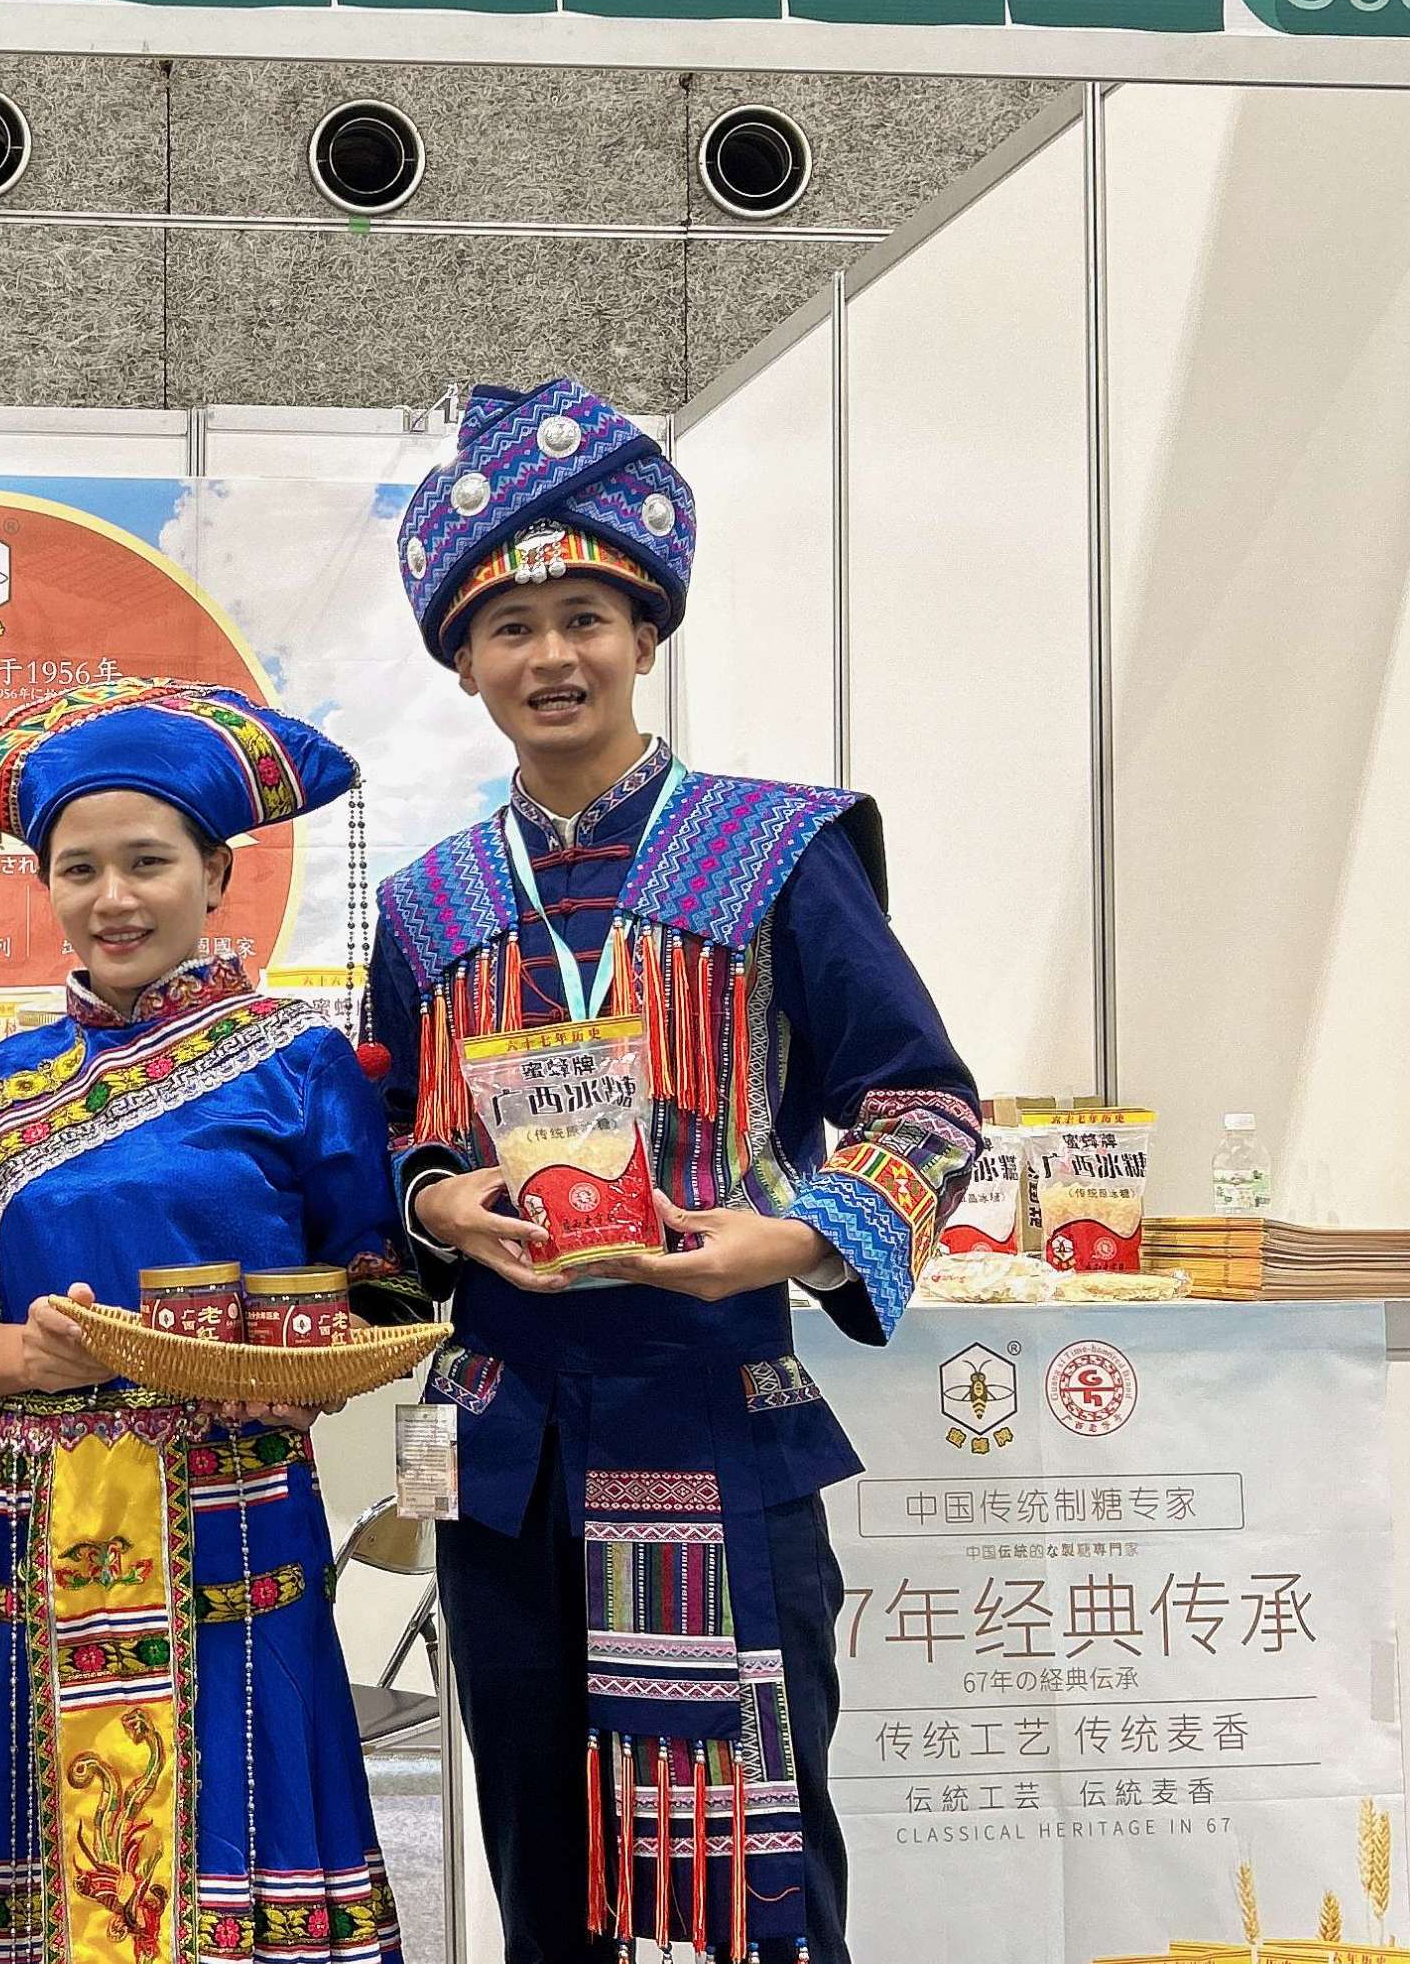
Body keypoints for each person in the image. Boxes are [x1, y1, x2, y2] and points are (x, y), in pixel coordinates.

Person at [369, 378, 981, 1964]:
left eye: (586, 614)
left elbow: (926, 1111)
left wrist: (775, 1242)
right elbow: (391, 1139)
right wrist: (439, 1202)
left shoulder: (775, 850)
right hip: (503, 1449)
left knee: (745, 1869)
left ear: (647, 632)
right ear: (463, 660)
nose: (550, 656)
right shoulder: (433, 903)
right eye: (510, 627)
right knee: (537, 1858)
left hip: (713, 1418)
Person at [0, 678, 428, 1964]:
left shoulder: (300, 1061)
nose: (113, 897)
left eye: (148, 862)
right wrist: (20, 1354)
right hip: (54, 1500)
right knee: (76, 1813)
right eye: (78, 868)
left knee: (247, 1788)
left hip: (236, 1492)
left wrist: (306, 1378)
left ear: (215, 874)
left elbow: (380, 1283)